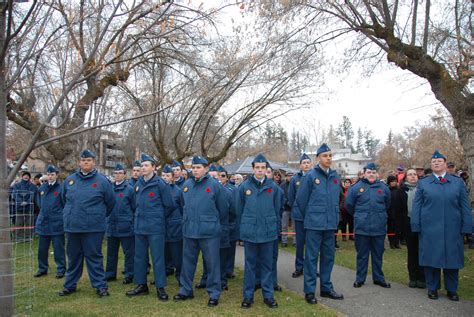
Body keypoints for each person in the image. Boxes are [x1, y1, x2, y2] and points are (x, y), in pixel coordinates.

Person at [411, 150, 472, 301]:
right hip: (430, 229)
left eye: (439, 161)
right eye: (433, 162)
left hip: (453, 228)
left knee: (452, 260)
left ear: (445, 164)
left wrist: (467, 227)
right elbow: (417, 206)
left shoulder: (457, 183)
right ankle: (432, 288)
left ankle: (452, 290)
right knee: (432, 259)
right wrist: (416, 225)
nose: (436, 163)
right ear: (431, 166)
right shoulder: (423, 183)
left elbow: (465, 207)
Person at [173, 155, 229, 307]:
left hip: (209, 231)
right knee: (188, 262)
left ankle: (214, 293)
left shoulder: (215, 185)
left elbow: (223, 209)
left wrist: (211, 221)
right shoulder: (187, 185)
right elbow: (181, 205)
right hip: (190, 230)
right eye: (194, 167)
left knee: (212, 264)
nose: (195, 170)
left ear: (206, 169)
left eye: (198, 167)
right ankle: (185, 290)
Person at [59, 149, 115, 297]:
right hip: (73, 226)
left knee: (94, 257)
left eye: (89, 160)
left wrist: (98, 215)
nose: (85, 162)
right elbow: (63, 200)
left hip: (93, 227)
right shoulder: (70, 180)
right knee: (73, 257)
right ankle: (70, 285)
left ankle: (100, 286)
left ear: (93, 162)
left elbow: (110, 202)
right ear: (79, 162)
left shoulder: (102, 181)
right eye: (83, 160)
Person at [296, 143, 344, 305]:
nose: (328, 158)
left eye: (330, 155)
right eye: (325, 156)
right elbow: (301, 201)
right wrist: (312, 216)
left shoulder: (335, 177)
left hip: (330, 224)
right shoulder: (310, 176)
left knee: (328, 257)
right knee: (311, 258)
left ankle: (326, 287)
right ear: (318, 158)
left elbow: (338, 198)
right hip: (314, 225)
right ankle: (309, 291)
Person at [126, 154, 175, 301]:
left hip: (155, 228)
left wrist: (157, 217)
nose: (143, 168)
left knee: (158, 258)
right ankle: (142, 285)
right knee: (139, 257)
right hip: (140, 227)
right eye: (142, 165)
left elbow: (170, 205)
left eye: (146, 165)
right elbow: (134, 204)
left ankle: (160, 287)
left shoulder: (160, 184)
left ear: (154, 167)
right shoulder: (138, 184)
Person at [236, 154, 281, 309]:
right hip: (250, 232)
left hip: (268, 233)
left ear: (266, 169)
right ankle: (248, 296)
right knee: (250, 265)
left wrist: (274, 228)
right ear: (253, 168)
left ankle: (268, 296)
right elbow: (239, 209)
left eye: (263, 168)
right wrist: (242, 230)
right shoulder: (244, 187)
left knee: (267, 265)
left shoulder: (273, 187)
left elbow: (277, 210)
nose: (260, 170)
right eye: (258, 168)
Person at [345, 162, 391, 290]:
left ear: (377, 174)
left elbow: (387, 204)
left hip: (378, 227)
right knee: (362, 255)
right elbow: (349, 205)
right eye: (369, 172)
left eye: (373, 172)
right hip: (362, 227)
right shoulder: (355, 188)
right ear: (364, 174)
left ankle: (378, 278)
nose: (371, 174)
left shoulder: (384, 188)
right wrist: (360, 216)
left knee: (378, 254)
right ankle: (360, 278)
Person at [391, 168, 425, 288]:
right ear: (406, 177)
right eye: (410, 174)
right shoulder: (401, 191)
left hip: (423, 226)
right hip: (408, 225)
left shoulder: (423, 188)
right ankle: (413, 277)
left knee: (422, 252)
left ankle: (422, 278)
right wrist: (400, 227)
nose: (412, 176)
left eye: (414, 174)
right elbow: (397, 210)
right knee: (412, 252)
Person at [105, 163, 136, 285]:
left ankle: (130, 274)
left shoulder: (130, 189)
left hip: (125, 226)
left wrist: (131, 222)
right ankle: (110, 274)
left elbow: (134, 207)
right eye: (115, 173)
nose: (117, 175)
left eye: (120, 173)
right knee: (111, 252)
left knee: (129, 253)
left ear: (124, 175)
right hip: (112, 224)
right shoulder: (109, 188)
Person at [34, 165, 66, 279]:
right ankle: (42, 268)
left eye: (52, 174)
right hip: (44, 223)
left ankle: (61, 269)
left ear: (56, 175)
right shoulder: (42, 188)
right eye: (48, 174)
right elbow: (39, 203)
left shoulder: (61, 188)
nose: (50, 176)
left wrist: (59, 215)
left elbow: (65, 204)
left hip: (57, 223)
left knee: (58, 248)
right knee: (42, 249)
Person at [288, 153, 312, 278]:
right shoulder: (295, 179)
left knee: (311, 244)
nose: (306, 164)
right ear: (300, 165)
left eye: (308, 162)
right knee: (300, 243)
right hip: (299, 216)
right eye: (304, 163)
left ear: (311, 164)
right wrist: (297, 209)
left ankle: (311, 268)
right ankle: (299, 267)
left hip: (313, 217)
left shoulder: (315, 177)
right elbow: (291, 198)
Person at [161, 165, 184, 285]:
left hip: (175, 227)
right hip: (161, 227)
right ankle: (162, 274)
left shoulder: (178, 191)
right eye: (163, 175)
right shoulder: (158, 189)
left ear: (172, 177)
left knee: (177, 256)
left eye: (167, 176)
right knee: (162, 255)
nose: (165, 178)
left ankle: (181, 277)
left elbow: (182, 208)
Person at [11, 170, 38, 241]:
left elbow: (33, 195)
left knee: (29, 223)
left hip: (29, 207)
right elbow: (14, 195)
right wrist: (20, 202)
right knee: (19, 223)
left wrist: (27, 202)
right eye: (24, 175)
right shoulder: (16, 186)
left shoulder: (33, 186)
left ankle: (28, 237)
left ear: (29, 177)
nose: (26, 176)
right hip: (19, 207)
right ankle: (18, 237)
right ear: (22, 176)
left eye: (27, 175)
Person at [386, 175, 401, 249]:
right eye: (392, 181)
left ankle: (396, 243)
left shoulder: (399, 190)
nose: (393, 183)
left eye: (395, 181)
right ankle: (391, 243)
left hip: (398, 213)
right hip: (389, 213)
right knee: (390, 228)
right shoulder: (387, 190)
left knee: (397, 228)